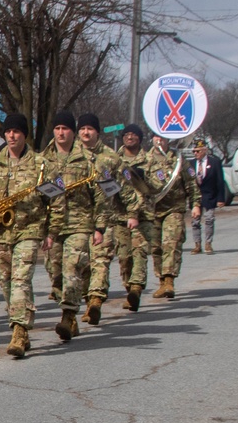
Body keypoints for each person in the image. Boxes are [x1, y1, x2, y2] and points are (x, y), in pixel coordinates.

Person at [0, 114, 54, 358]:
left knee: (20, 280)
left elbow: (56, 199)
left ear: (24, 134)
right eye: (8, 132)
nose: (12, 135)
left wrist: (51, 232)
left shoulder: (41, 164)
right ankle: (21, 323)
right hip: (0, 231)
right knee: (4, 279)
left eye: (17, 131)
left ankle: (18, 331)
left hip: (29, 230)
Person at [40, 111, 104, 340]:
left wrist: (100, 227)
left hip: (79, 222)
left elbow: (100, 195)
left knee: (72, 269)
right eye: (57, 128)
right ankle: (70, 309)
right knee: (55, 272)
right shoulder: (43, 159)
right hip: (52, 225)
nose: (60, 132)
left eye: (65, 129)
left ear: (73, 132)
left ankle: (68, 316)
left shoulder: (87, 159)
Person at [75, 114, 141, 326]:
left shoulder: (111, 158)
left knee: (100, 260)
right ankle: (87, 299)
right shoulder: (70, 154)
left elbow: (126, 187)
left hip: (107, 219)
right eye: (82, 128)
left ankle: (95, 300)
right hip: (77, 219)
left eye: (90, 129)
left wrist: (132, 213)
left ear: (97, 132)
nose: (86, 132)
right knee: (81, 265)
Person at [147, 133, 201, 300]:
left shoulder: (178, 159)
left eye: (163, 137)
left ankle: (170, 280)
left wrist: (196, 204)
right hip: (153, 210)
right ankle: (162, 280)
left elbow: (191, 182)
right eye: (156, 136)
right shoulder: (145, 159)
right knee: (156, 248)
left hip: (174, 209)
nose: (159, 140)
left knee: (171, 243)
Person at [114, 124, 156, 311]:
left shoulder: (150, 159)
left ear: (140, 138)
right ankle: (129, 287)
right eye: (127, 134)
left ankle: (137, 288)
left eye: (134, 134)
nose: (130, 137)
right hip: (121, 215)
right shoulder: (115, 159)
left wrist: (144, 178)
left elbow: (158, 184)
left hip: (144, 214)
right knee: (124, 257)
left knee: (140, 252)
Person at [190, 139, 226, 255]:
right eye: (194, 151)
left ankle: (208, 243)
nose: (196, 153)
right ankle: (197, 244)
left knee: (209, 219)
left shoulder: (214, 162)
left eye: (198, 151)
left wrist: (221, 198)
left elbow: (220, 181)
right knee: (195, 221)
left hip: (210, 195)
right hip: (195, 196)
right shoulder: (190, 164)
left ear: (204, 150)